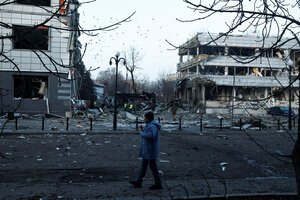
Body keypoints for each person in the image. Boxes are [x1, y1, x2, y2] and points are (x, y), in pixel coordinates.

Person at [129, 111, 162, 190]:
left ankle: (158, 183)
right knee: (144, 166)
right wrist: (143, 131)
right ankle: (138, 181)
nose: (143, 118)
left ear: (148, 118)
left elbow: (151, 135)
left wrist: (142, 133)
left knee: (152, 167)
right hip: (148, 150)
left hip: (150, 150)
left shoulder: (152, 126)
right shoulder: (149, 125)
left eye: (145, 117)